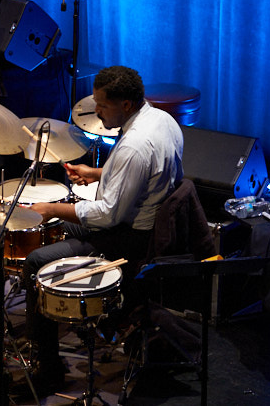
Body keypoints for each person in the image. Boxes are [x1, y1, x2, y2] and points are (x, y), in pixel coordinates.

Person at [19, 65, 184, 394]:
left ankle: (49, 368)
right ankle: (86, 316)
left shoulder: (134, 145)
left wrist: (49, 208)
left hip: (130, 241)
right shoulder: (162, 120)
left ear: (125, 104)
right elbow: (142, 175)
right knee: (67, 226)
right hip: (145, 226)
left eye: (103, 105)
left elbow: (108, 214)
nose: (96, 111)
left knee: (36, 260)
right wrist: (97, 174)